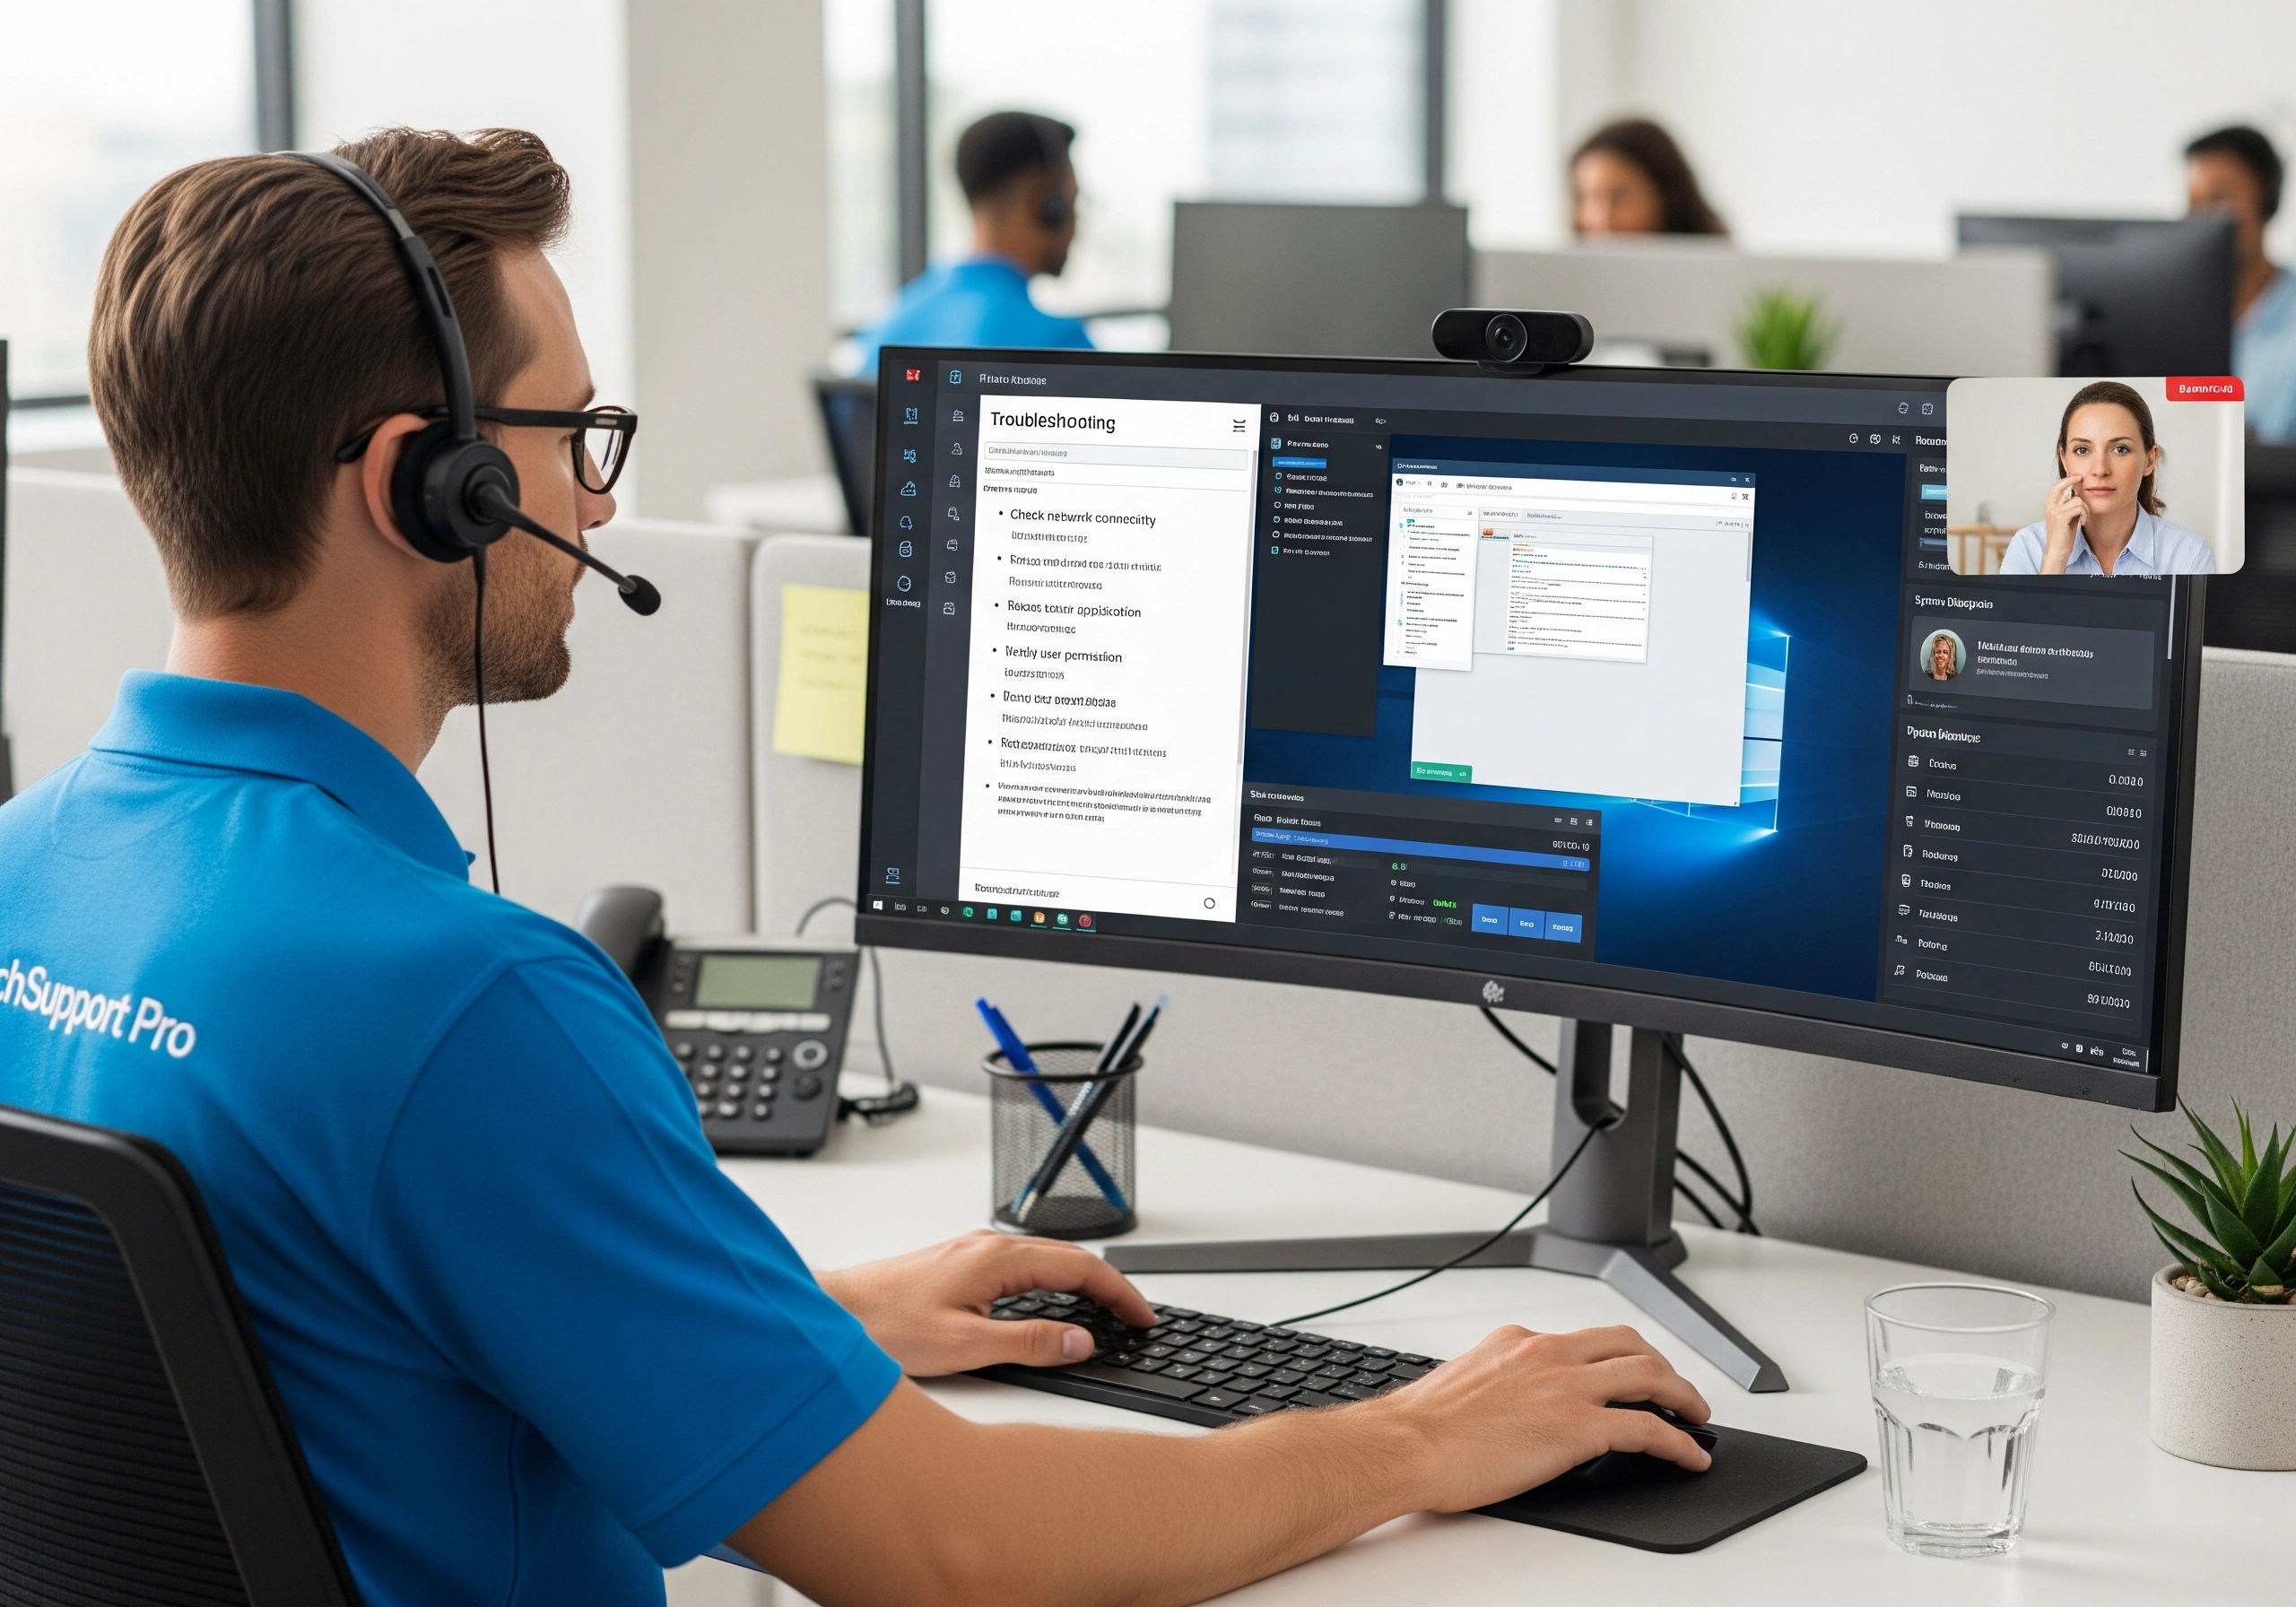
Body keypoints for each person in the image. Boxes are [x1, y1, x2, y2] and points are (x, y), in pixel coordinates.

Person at [0, 127, 1710, 1607]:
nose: (591, 509)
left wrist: (809, 1322)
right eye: (571, 436)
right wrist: (1415, 1430)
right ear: (426, 485)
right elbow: (955, 1553)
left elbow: (312, 1330)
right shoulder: (462, 1004)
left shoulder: (21, 870)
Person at [853, 111, 1092, 365]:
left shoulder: (885, 330)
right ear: (1045, 204)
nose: (1077, 223)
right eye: (1072, 202)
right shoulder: (1060, 344)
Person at [2001, 381, 2217, 577]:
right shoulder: (2028, 547)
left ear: (2149, 460)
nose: (2100, 469)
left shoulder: (2190, 554)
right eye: (2083, 450)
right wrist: (2055, 558)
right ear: (2064, 459)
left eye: (2120, 449)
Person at [2186, 124, 2296, 443]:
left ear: (2266, 200)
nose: (2203, 218)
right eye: (2194, 203)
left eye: (2218, 199)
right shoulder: (2179, 319)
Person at [1570, 118, 1728, 239]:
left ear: (1666, 195)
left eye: (1619, 197)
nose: (1602, 220)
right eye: (1586, 198)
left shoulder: (1724, 274)